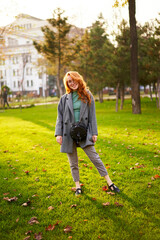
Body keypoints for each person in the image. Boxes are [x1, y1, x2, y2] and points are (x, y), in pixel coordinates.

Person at [55, 71, 120, 195]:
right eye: (69, 81)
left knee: (95, 158)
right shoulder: (64, 99)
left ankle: (110, 183)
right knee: (73, 163)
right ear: (67, 84)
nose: (72, 83)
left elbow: (92, 116)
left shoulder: (87, 95)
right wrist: (58, 134)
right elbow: (60, 117)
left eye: (73, 80)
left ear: (78, 80)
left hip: (84, 132)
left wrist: (94, 132)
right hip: (68, 134)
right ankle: (78, 186)